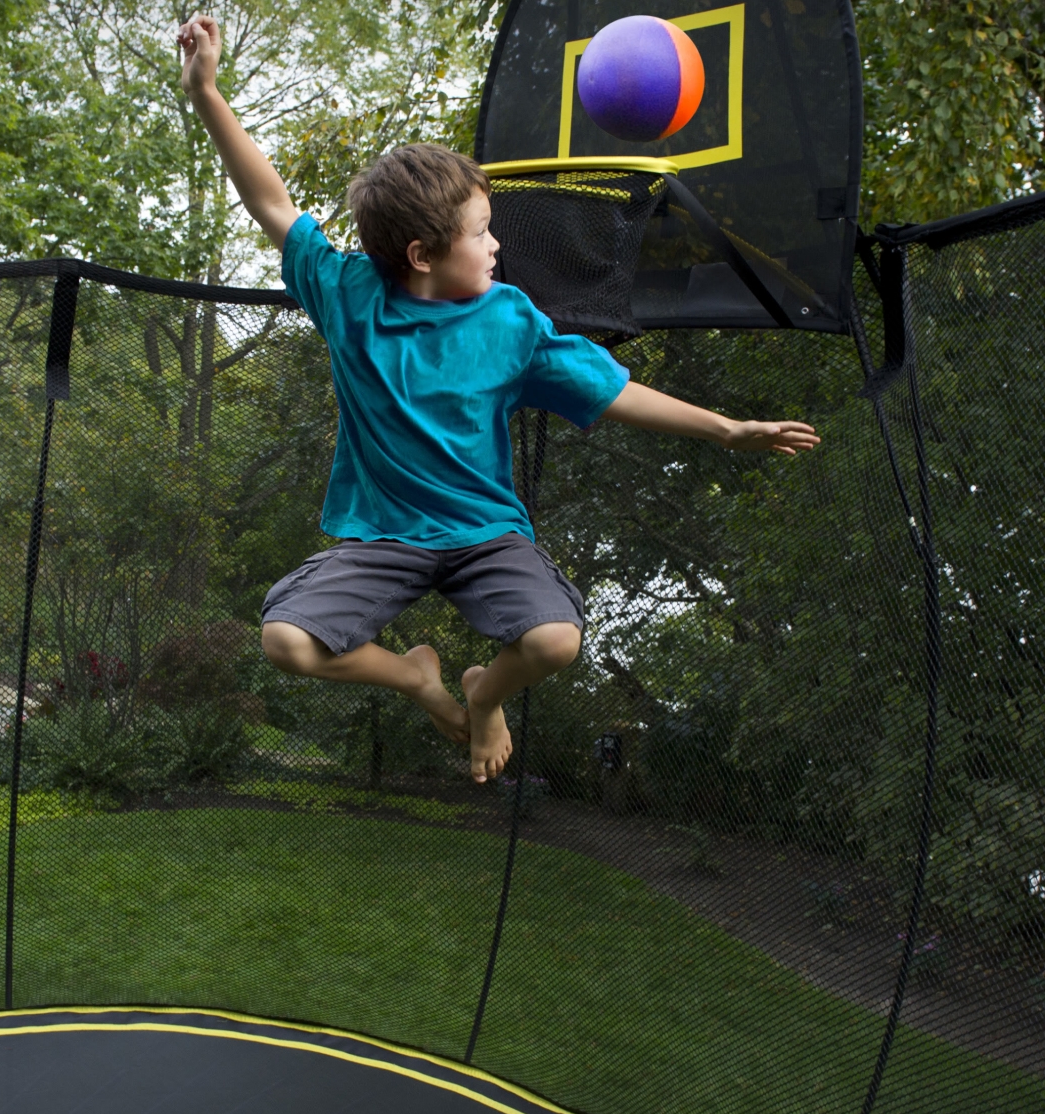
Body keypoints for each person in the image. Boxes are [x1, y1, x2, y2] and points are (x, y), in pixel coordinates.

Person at [178, 14, 820, 784]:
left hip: (485, 535)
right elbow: (272, 203)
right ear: (421, 254)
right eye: (482, 232)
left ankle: (483, 694)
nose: (497, 245)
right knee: (287, 641)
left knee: (554, 641)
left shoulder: (509, 322)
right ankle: (417, 678)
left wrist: (726, 429)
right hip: (385, 537)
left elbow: (614, 392)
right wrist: (206, 92)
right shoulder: (350, 296)